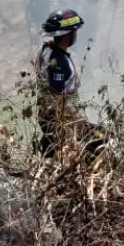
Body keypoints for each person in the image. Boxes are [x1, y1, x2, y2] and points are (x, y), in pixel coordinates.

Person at [34, 8, 85, 159]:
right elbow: (58, 97)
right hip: (61, 123)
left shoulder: (46, 50)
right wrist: (79, 123)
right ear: (68, 36)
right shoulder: (60, 62)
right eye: (74, 32)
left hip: (45, 116)